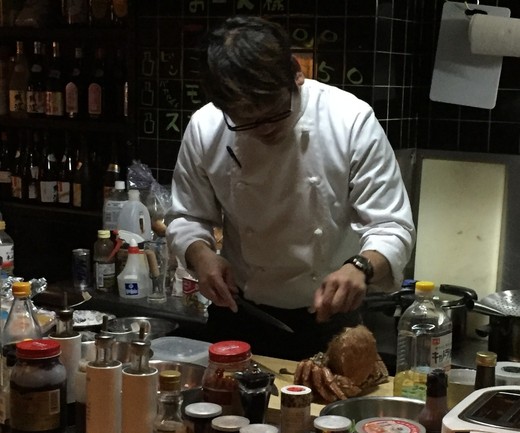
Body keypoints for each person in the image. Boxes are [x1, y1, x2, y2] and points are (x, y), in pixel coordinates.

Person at [166, 15, 415, 360]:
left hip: (329, 317)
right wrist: (201, 254)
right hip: (239, 313)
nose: (263, 128)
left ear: (297, 73)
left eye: (274, 113)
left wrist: (360, 266)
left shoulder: (349, 121)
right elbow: (187, 216)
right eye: (245, 121)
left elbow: (392, 225)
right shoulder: (205, 128)